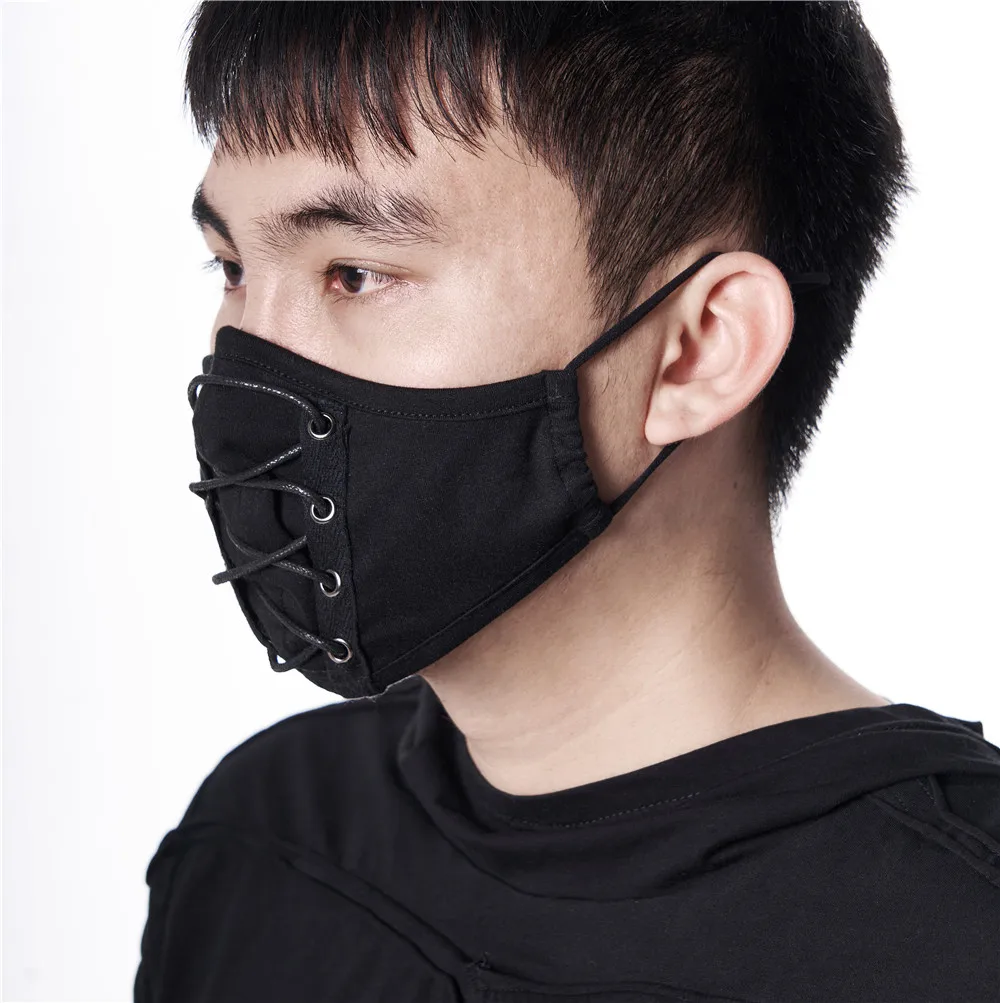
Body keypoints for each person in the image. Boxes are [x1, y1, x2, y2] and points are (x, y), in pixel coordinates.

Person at [135, 2, 1000, 1000]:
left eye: (356, 273)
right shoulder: (262, 839)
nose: (247, 365)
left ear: (696, 350)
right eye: (233, 269)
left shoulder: (959, 938)